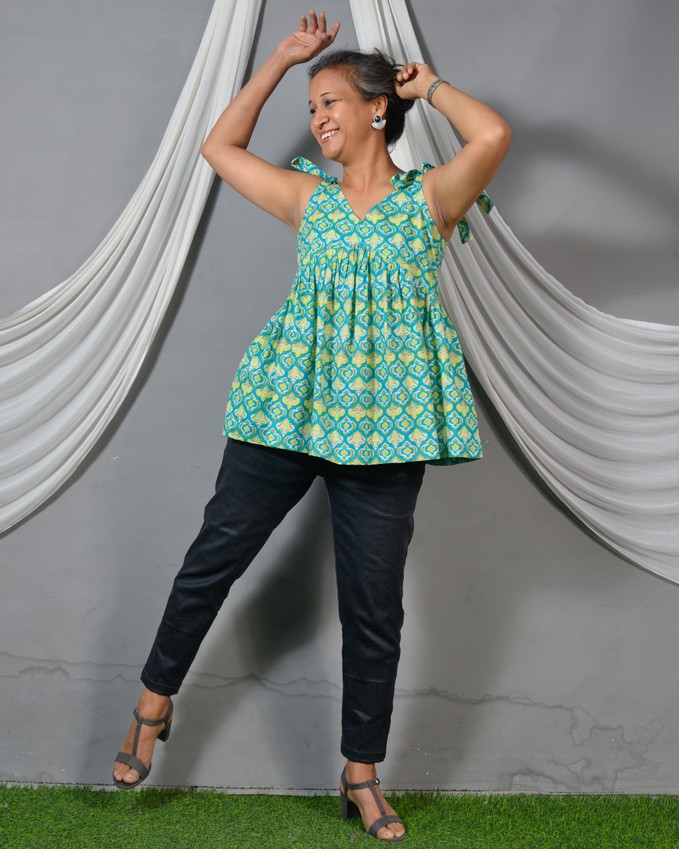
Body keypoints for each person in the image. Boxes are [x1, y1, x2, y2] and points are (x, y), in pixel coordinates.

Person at [112, 9, 510, 842]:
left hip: (387, 431)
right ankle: (152, 701)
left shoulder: (431, 198)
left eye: (330, 101)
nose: (318, 117)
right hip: (284, 408)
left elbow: (492, 134)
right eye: (311, 107)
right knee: (211, 559)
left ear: (376, 108)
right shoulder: (307, 199)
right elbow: (218, 147)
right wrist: (281, 61)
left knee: (373, 610)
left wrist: (428, 85)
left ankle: (359, 772)